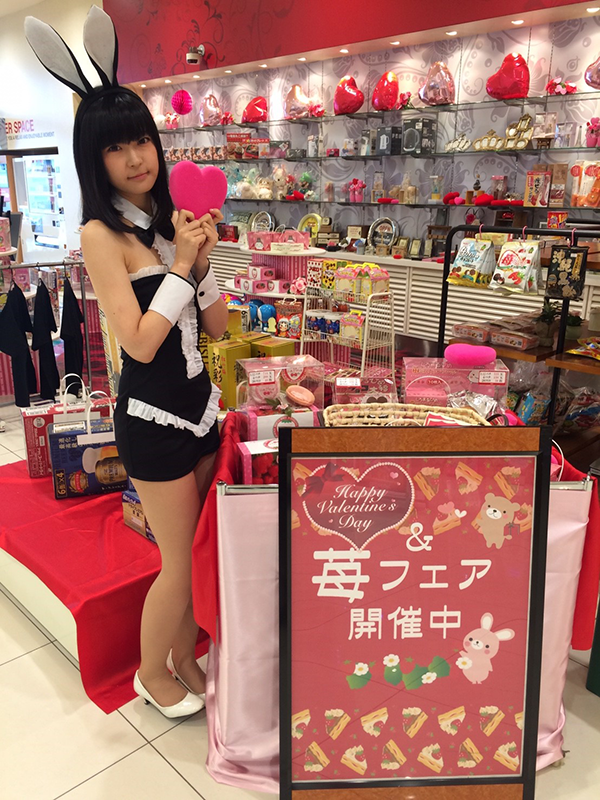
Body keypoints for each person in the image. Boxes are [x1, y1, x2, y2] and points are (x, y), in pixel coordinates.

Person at [25, 7, 228, 718]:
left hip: (201, 408)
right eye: (117, 147)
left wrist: (203, 262)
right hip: (152, 418)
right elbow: (139, 342)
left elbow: (216, 326)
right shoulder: (98, 235)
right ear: (95, 158)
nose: (137, 157)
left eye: (142, 139)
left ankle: (185, 656)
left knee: (200, 551)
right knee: (176, 562)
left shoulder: (171, 220)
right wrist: (179, 266)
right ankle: (150, 673)